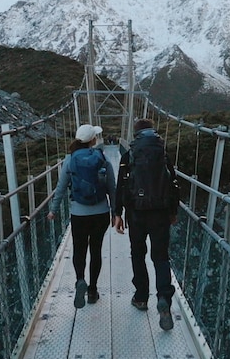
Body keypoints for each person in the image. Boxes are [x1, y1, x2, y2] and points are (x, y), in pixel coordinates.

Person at [113, 118, 179, 331]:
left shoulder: (129, 154)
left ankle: (141, 297)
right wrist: (173, 211)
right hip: (160, 214)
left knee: (138, 254)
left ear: (136, 134)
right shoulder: (163, 154)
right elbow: (174, 184)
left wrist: (117, 213)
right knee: (161, 257)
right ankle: (164, 300)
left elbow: (121, 185)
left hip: (136, 213)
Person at [48, 124, 116, 308]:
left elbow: (61, 188)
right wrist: (116, 213)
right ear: (94, 140)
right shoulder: (102, 158)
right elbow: (112, 188)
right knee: (96, 250)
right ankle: (93, 291)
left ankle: (79, 280)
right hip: (101, 212)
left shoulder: (70, 160)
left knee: (79, 249)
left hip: (79, 213)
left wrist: (53, 210)